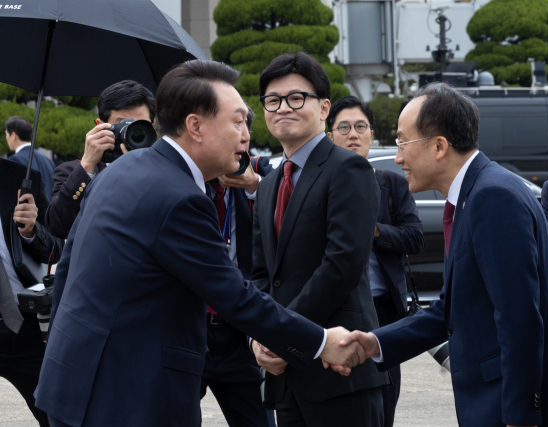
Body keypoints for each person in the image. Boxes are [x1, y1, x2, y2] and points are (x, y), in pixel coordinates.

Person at [33, 60, 366, 427]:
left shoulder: (125, 170)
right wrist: (319, 341)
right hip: (128, 399)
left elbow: (67, 270)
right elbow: (234, 295)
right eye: (237, 121)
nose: (246, 135)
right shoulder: (179, 197)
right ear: (195, 126)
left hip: (71, 383)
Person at [332, 83, 548, 427]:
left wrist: (520, 417)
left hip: (505, 410)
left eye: (402, 142)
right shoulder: (475, 193)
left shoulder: (492, 197)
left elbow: (521, 322)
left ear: (439, 146)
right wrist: (375, 343)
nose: (397, 158)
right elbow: (450, 309)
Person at [250, 52, 388, 427]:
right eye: (273, 100)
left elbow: (342, 262)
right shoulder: (268, 186)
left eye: (297, 98)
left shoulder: (348, 168)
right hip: (285, 377)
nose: (283, 108)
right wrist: (260, 338)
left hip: (340, 370)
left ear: (324, 107)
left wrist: (283, 333)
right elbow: (261, 274)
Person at [326, 96, 424, 427]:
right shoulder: (320, 186)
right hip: (335, 312)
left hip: (383, 312)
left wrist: (373, 231)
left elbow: (414, 237)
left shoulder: (390, 182)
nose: (353, 134)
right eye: (344, 127)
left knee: (384, 403)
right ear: (329, 137)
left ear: (371, 135)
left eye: (360, 127)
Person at [200, 104, 276, 427]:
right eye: (233, 129)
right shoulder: (183, 180)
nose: (241, 141)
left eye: (245, 131)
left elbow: (289, 227)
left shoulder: (263, 176)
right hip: (192, 328)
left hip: (239, 331)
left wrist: (253, 185)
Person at [45, 80, 155, 239]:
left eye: (140, 127)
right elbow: (58, 226)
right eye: (123, 125)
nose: (132, 133)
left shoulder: (165, 171)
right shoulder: (73, 172)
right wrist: (87, 164)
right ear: (99, 126)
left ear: (152, 126)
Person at [0, 159, 61, 427]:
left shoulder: (23, 178)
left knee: (56, 416)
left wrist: (31, 230)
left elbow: (55, 248)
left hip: (23, 324)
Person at [5, 116, 56, 200]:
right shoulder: (48, 161)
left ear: (13, 136)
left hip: (27, 212)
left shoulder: (13, 161)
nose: (6, 138)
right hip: (48, 212)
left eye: (6, 134)